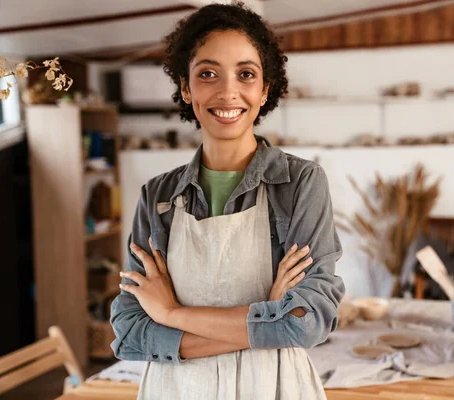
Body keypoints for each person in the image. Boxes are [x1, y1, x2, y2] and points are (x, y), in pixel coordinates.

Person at [109, 2, 345, 399]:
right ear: (186, 87)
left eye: (246, 74)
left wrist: (170, 314)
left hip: (272, 387)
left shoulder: (300, 183)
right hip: (175, 389)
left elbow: (307, 322)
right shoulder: (158, 196)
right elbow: (129, 331)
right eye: (207, 74)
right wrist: (268, 317)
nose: (228, 91)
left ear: (265, 87)